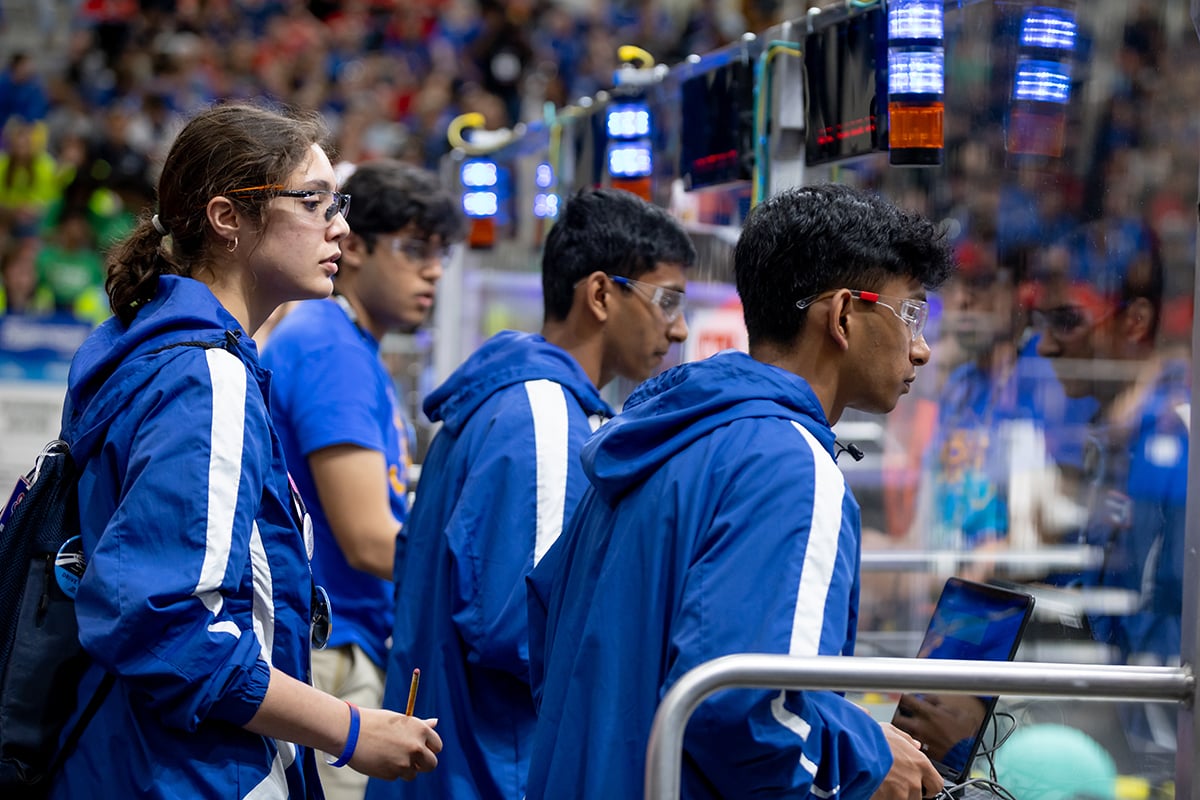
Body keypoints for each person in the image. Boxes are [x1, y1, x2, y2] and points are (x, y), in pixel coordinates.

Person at [49, 103, 441, 799]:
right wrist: (351, 729)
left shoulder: (152, 344)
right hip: (187, 771)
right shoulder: (206, 374)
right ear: (229, 218)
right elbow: (170, 626)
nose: (341, 228)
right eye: (314, 201)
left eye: (338, 202)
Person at [526, 183, 955, 800]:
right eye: (910, 312)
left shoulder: (662, 435)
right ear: (840, 316)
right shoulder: (790, 467)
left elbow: (547, 643)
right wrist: (865, 759)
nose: (920, 346)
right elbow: (745, 710)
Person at [366, 187, 695, 800]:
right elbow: (525, 631)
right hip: (497, 772)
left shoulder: (513, 399)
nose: (677, 328)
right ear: (600, 294)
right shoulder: (542, 413)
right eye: (666, 300)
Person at [261, 159, 464, 800]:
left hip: (333, 646)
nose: (432, 269)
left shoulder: (347, 345)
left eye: (440, 253)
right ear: (352, 247)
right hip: (331, 655)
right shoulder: (332, 350)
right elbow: (369, 540)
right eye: (413, 249)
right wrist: (486, 585)